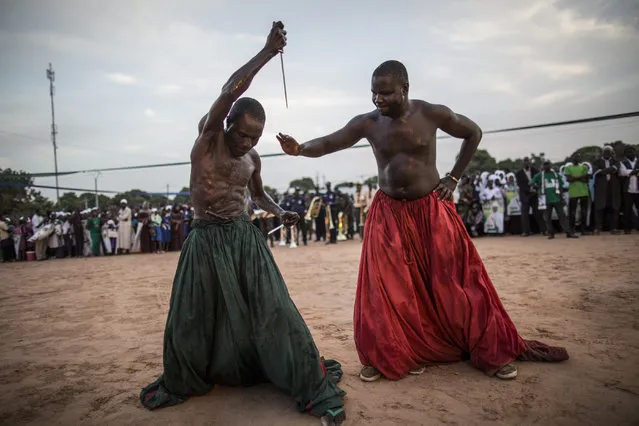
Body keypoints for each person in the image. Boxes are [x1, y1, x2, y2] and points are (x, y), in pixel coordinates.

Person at [278, 59, 568, 383]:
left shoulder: (432, 113)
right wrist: (300, 149)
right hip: (387, 213)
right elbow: (332, 142)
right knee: (385, 288)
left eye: (386, 93)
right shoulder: (368, 123)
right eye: (374, 94)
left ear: (405, 88)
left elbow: (473, 132)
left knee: (459, 282)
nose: (378, 100)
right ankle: (384, 354)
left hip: (431, 209)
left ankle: (490, 349)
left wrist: (454, 177)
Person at [139, 22, 346, 426]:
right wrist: (267, 53)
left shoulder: (253, 160)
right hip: (205, 242)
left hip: (245, 239)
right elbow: (230, 89)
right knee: (194, 319)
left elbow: (258, 196)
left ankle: (308, 385)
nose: (248, 142)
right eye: (244, 134)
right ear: (229, 123)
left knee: (275, 312)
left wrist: (278, 209)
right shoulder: (208, 140)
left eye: (256, 137)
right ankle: (194, 376)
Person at [530, 161, 578, 239]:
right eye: (544, 165)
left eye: (547, 165)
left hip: (556, 198)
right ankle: (551, 233)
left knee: (562, 216)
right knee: (547, 217)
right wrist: (536, 186)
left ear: (550, 166)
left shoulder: (555, 175)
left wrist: (561, 197)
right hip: (545, 200)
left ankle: (568, 232)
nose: (546, 166)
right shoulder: (540, 175)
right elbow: (531, 182)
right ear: (542, 166)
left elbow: (561, 186)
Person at [593, 146, 622, 234]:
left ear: (611, 153)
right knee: (599, 209)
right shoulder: (596, 162)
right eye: (605, 151)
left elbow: (614, 169)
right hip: (601, 189)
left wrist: (603, 170)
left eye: (609, 152)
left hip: (613, 188)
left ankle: (613, 229)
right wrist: (610, 170)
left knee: (614, 208)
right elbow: (598, 172)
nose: (607, 153)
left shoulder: (616, 161)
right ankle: (598, 228)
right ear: (602, 152)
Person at [563, 153, 591, 235]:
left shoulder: (584, 167)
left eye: (578, 157)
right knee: (572, 213)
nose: (577, 158)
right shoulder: (568, 168)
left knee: (584, 212)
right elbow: (569, 179)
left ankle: (583, 230)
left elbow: (586, 180)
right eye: (575, 157)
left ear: (580, 159)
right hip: (573, 193)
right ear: (572, 159)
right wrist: (580, 177)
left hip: (584, 192)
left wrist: (575, 178)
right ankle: (572, 230)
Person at [516, 157, 544, 236]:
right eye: (525, 162)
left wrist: (535, 188)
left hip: (534, 195)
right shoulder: (519, 173)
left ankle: (543, 230)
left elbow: (539, 181)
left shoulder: (535, 171)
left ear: (530, 163)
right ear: (522, 164)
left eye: (528, 162)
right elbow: (520, 185)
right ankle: (526, 231)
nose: (526, 164)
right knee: (525, 215)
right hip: (525, 196)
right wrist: (529, 190)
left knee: (538, 213)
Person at [619, 145, 639, 234]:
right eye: (628, 152)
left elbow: (627, 172)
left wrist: (629, 172)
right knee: (627, 210)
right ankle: (627, 229)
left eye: (631, 151)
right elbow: (622, 172)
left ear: (634, 152)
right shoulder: (622, 162)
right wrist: (636, 171)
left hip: (638, 190)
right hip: (627, 190)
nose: (630, 153)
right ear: (625, 154)